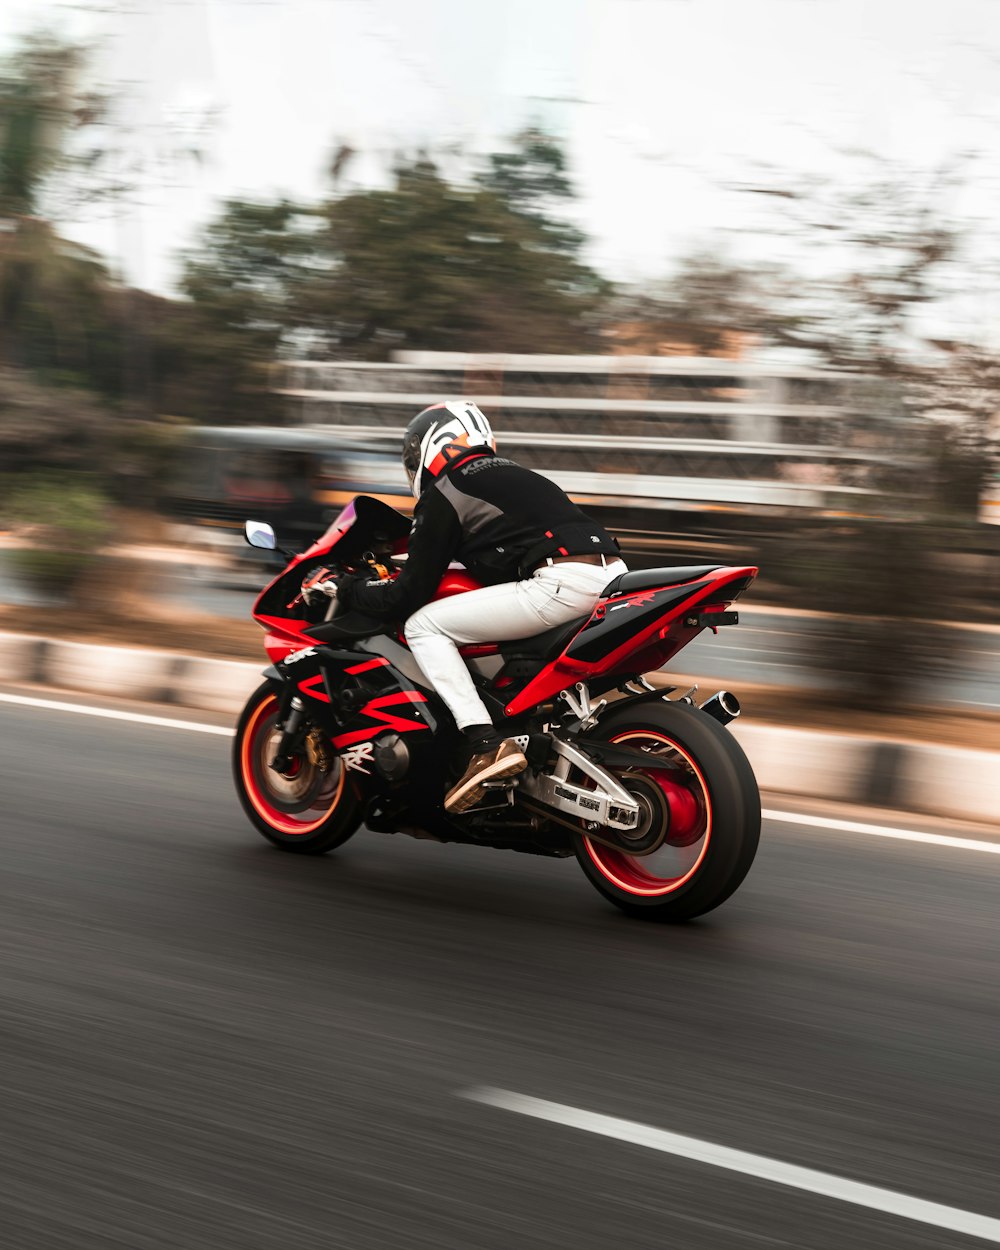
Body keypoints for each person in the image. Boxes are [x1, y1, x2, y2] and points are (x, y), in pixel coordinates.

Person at [334, 401, 627, 814]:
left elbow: (407, 594)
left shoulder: (448, 491)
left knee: (423, 625)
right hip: (612, 576)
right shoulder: (518, 475)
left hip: (560, 583)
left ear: (432, 448)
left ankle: (484, 743)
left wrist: (351, 589)